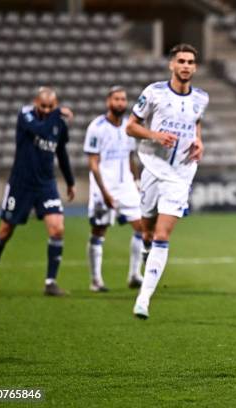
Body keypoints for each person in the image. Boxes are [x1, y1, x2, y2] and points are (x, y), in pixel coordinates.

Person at [125, 43, 209, 319]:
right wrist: (155, 136)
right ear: (172, 65)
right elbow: (131, 126)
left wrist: (198, 141)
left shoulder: (201, 98)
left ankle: (143, 299)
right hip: (151, 166)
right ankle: (148, 253)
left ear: (194, 68)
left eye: (190, 62)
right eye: (181, 61)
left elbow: (196, 122)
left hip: (181, 174)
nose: (186, 65)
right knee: (147, 230)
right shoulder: (154, 92)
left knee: (162, 235)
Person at [0, 87, 75, 297]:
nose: (47, 110)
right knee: (5, 231)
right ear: (35, 102)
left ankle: (50, 282)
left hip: (46, 185)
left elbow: (61, 152)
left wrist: (70, 181)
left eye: (51, 106)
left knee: (57, 229)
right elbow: (41, 130)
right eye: (43, 106)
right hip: (20, 184)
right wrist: (57, 113)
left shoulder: (58, 123)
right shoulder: (25, 114)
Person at [83, 86, 144, 292]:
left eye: (123, 99)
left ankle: (135, 275)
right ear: (108, 102)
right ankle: (96, 280)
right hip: (103, 187)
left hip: (126, 185)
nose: (120, 103)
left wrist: (136, 182)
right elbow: (93, 163)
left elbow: (131, 157)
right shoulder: (97, 127)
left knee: (142, 228)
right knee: (99, 231)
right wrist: (105, 193)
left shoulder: (129, 126)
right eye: (116, 99)